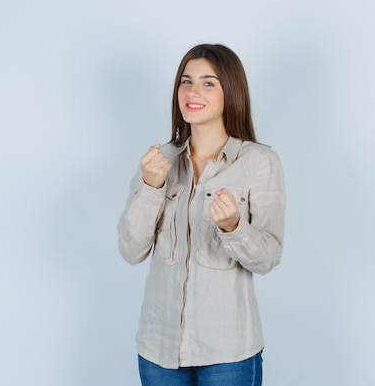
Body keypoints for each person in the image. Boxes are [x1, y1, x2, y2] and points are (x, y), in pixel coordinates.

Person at [118, 43, 285, 386]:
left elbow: (268, 257)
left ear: (230, 92)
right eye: (186, 81)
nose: (193, 92)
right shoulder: (157, 161)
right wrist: (151, 187)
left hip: (228, 353)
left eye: (208, 83)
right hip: (158, 350)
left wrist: (234, 227)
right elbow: (131, 250)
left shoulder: (259, 162)